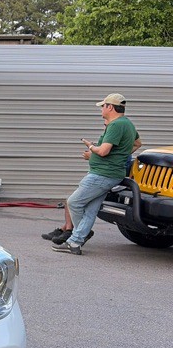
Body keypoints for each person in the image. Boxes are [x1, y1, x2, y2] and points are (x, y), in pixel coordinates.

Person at [52, 93, 139, 255]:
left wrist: (91, 147)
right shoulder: (128, 124)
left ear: (110, 107)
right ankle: (76, 242)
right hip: (111, 174)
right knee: (91, 209)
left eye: (103, 106)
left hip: (102, 174)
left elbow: (104, 151)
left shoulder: (116, 125)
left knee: (74, 203)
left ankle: (78, 237)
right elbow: (137, 143)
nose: (101, 110)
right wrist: (120, 155)